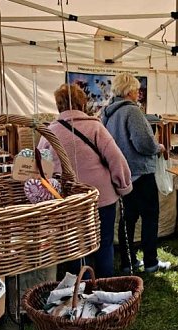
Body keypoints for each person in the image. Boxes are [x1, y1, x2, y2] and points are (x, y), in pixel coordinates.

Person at [40, 84, 132, 277]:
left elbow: (40, 167)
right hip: (101, 198)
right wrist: (123, 186)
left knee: (75, 247)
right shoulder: (95, 127)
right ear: (83, 103)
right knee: (104, 243)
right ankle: (105, 285)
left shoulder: (49, 133)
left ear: (58, 105)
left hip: (69, 201)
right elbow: (116, 159)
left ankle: (81, 287)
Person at [102, 72, 170, 274]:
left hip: (122, 175)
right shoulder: (132, 111)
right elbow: (144, 143)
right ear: (129, 90)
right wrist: (158, 147)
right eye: (137, 89)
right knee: (150, 218)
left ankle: (128, 262)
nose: (138, 93)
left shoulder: (107, 113)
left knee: (127, 220)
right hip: (140, 173)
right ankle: (151, 262)